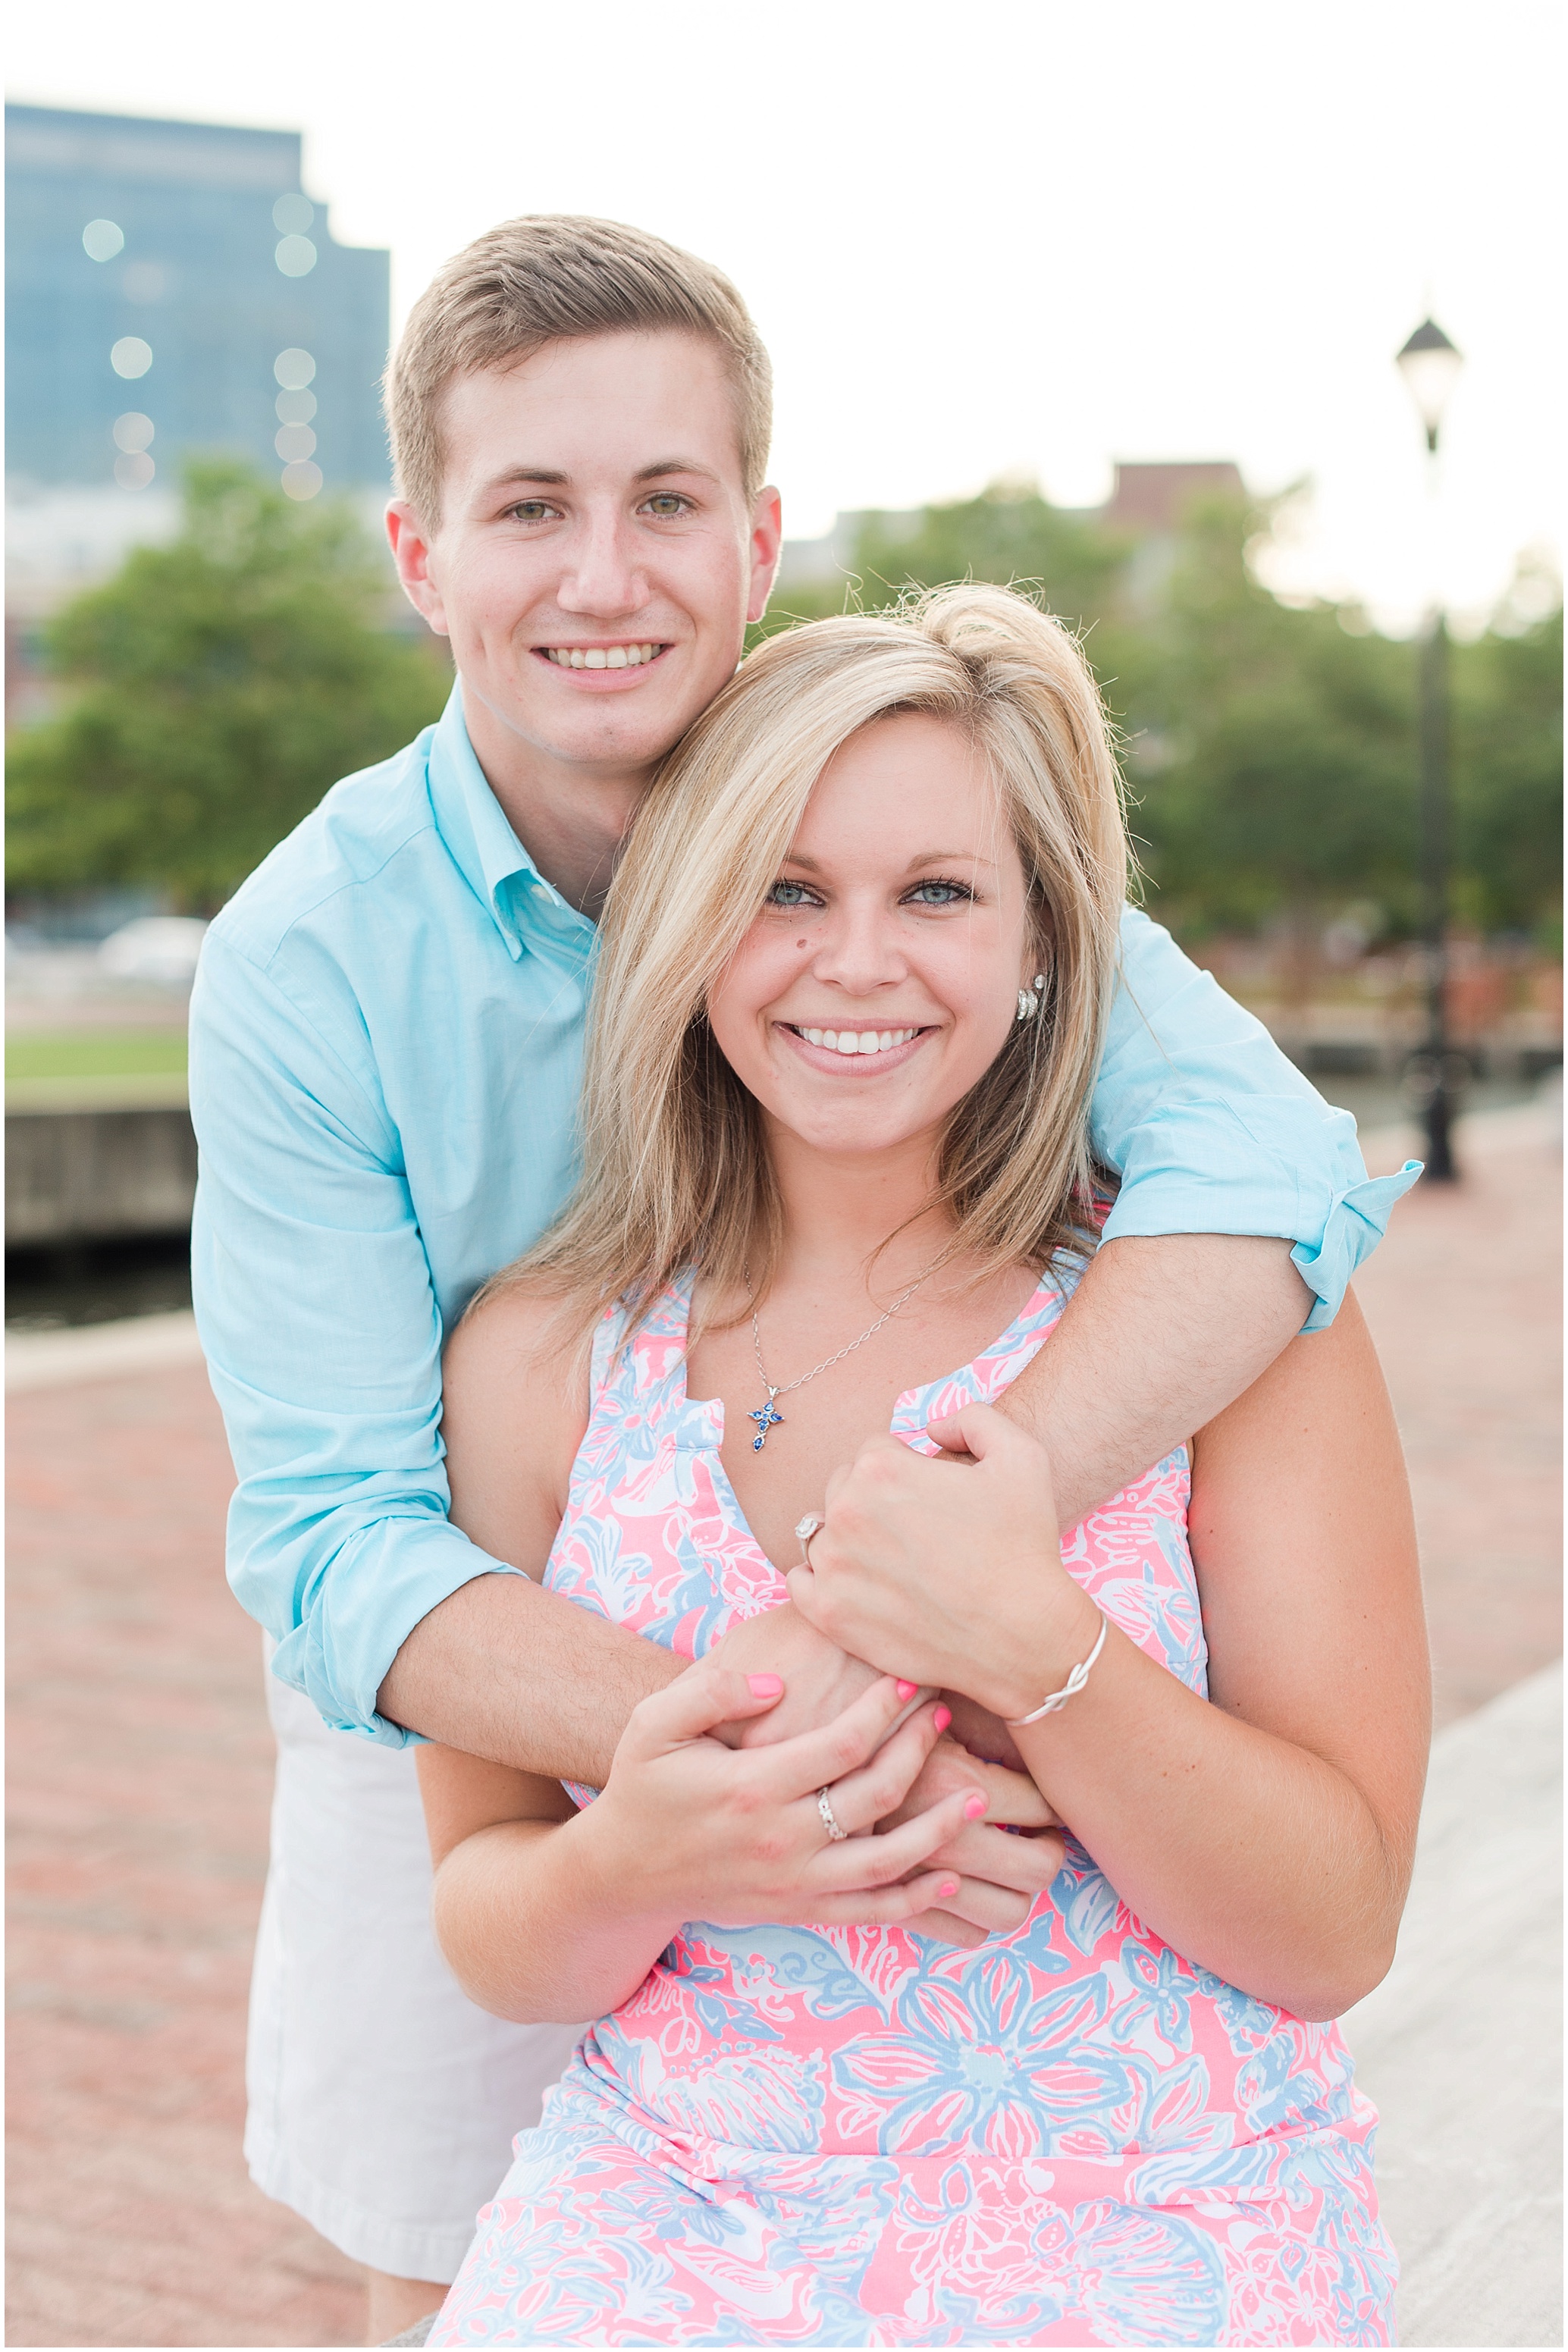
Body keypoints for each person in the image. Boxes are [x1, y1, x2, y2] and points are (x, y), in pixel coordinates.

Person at [187, 217, 1418, 2340]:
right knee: (432, 2218)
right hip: (487, 1625)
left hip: (1088, 2045)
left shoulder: (903, 780)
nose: (603, 575)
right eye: (530, 508)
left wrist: (967, 1556)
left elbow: (1278, 1171)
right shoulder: (308, 961)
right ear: (418, 548)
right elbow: (329, 1536)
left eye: (664, 500)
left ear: (759, 537)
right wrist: (787, 1736)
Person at [418, 585, 1428, 2348]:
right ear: (690, 928)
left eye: (936, 894)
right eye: (785, 891)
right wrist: (642, 1858)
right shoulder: (537, 1360)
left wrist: (1033, 1654)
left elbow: (1329, 1927)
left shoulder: (1232, 1332)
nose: (855, 961)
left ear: (1045, 942)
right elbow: (488, 1918)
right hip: (671, 2213)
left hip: (1153, 2219)